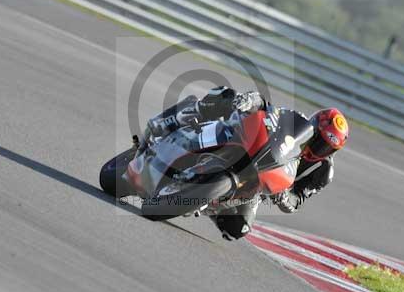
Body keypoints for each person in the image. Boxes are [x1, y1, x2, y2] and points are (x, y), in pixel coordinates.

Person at [145, 86, 349, 241]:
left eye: (326, 148)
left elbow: (297, 201)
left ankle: (203, 200)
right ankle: (173, 120)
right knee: (225, 95)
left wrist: (284, 197)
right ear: (314, 126)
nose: (318, 148)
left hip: (261, 183)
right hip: (248, 148)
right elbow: (271, 111)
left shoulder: (322, 171)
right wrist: (253, 100)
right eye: (320, 140)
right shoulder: (297, 120)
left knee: (237, 229)